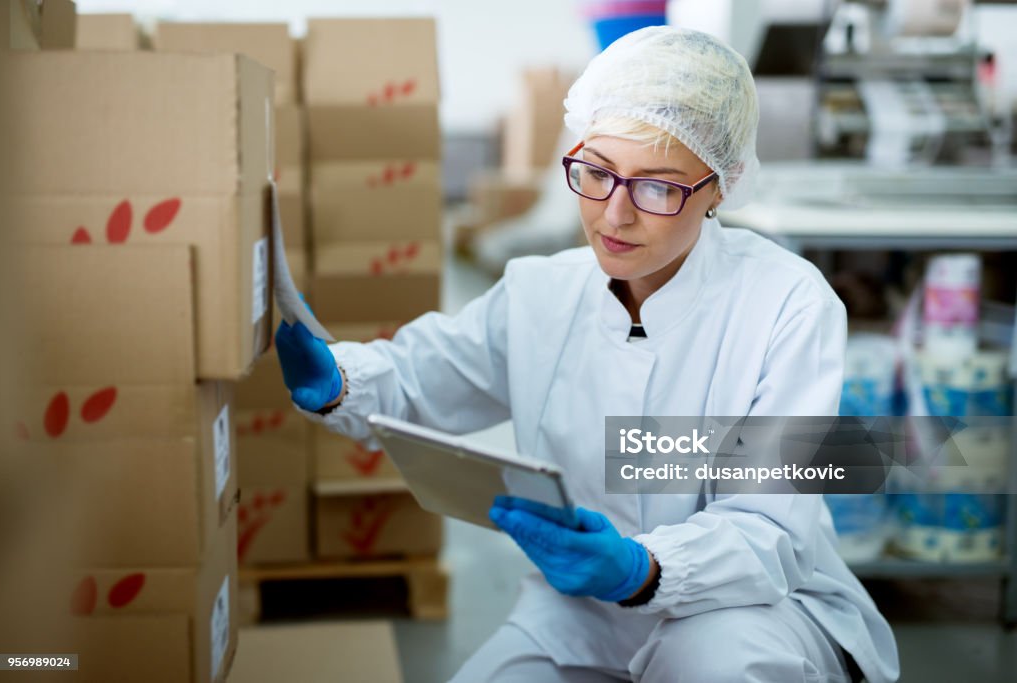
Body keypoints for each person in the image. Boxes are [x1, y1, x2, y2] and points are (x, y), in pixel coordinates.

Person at [276, 26, 900, 683]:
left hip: (746, 607)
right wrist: (341, 378)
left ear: (720, 185)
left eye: (656, 187)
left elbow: (771, 525)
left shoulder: (786, 303)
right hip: (579, 612)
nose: (614, 215)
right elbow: (424, 375)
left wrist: (642, 567)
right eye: (596, 172)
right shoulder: (542, 290)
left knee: (719, 664)